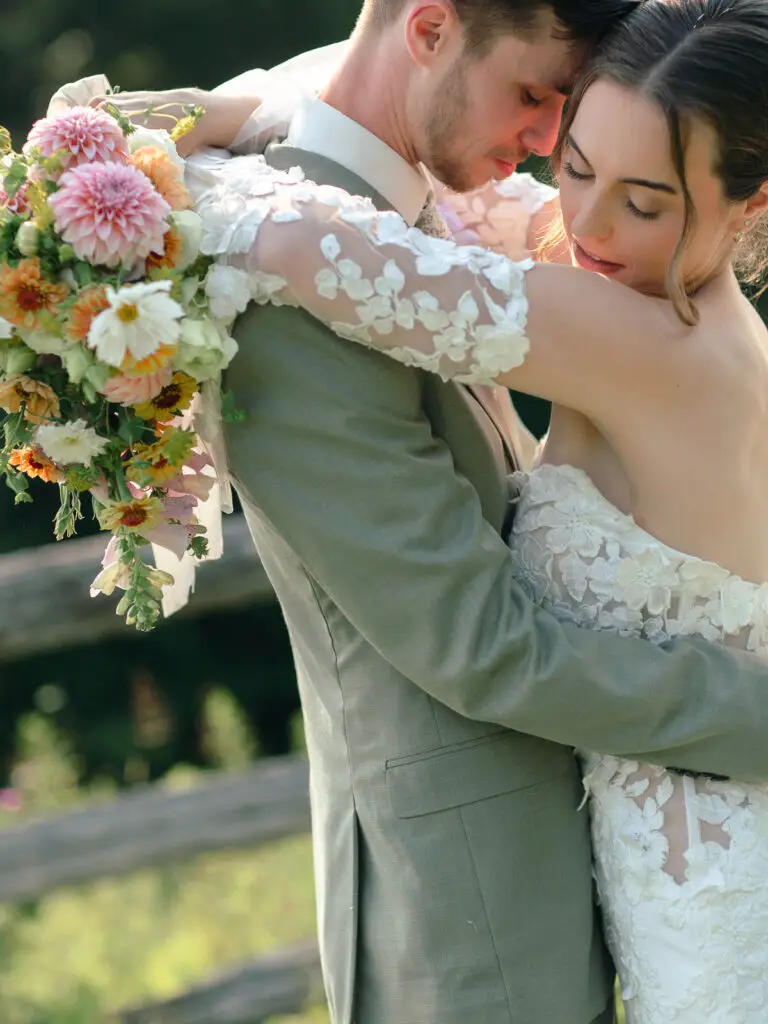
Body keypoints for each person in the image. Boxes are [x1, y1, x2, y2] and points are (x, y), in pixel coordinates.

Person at [103, 1, 768, 1021]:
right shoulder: (614, 273)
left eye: (644, 199)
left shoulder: (638, 333)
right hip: (617, 882)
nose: (581, 215)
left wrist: (139, 188)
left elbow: (297, 247)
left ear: (748, 204)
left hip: (715, 884)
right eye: (572, 154)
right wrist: (255, 112)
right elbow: (403, 149)